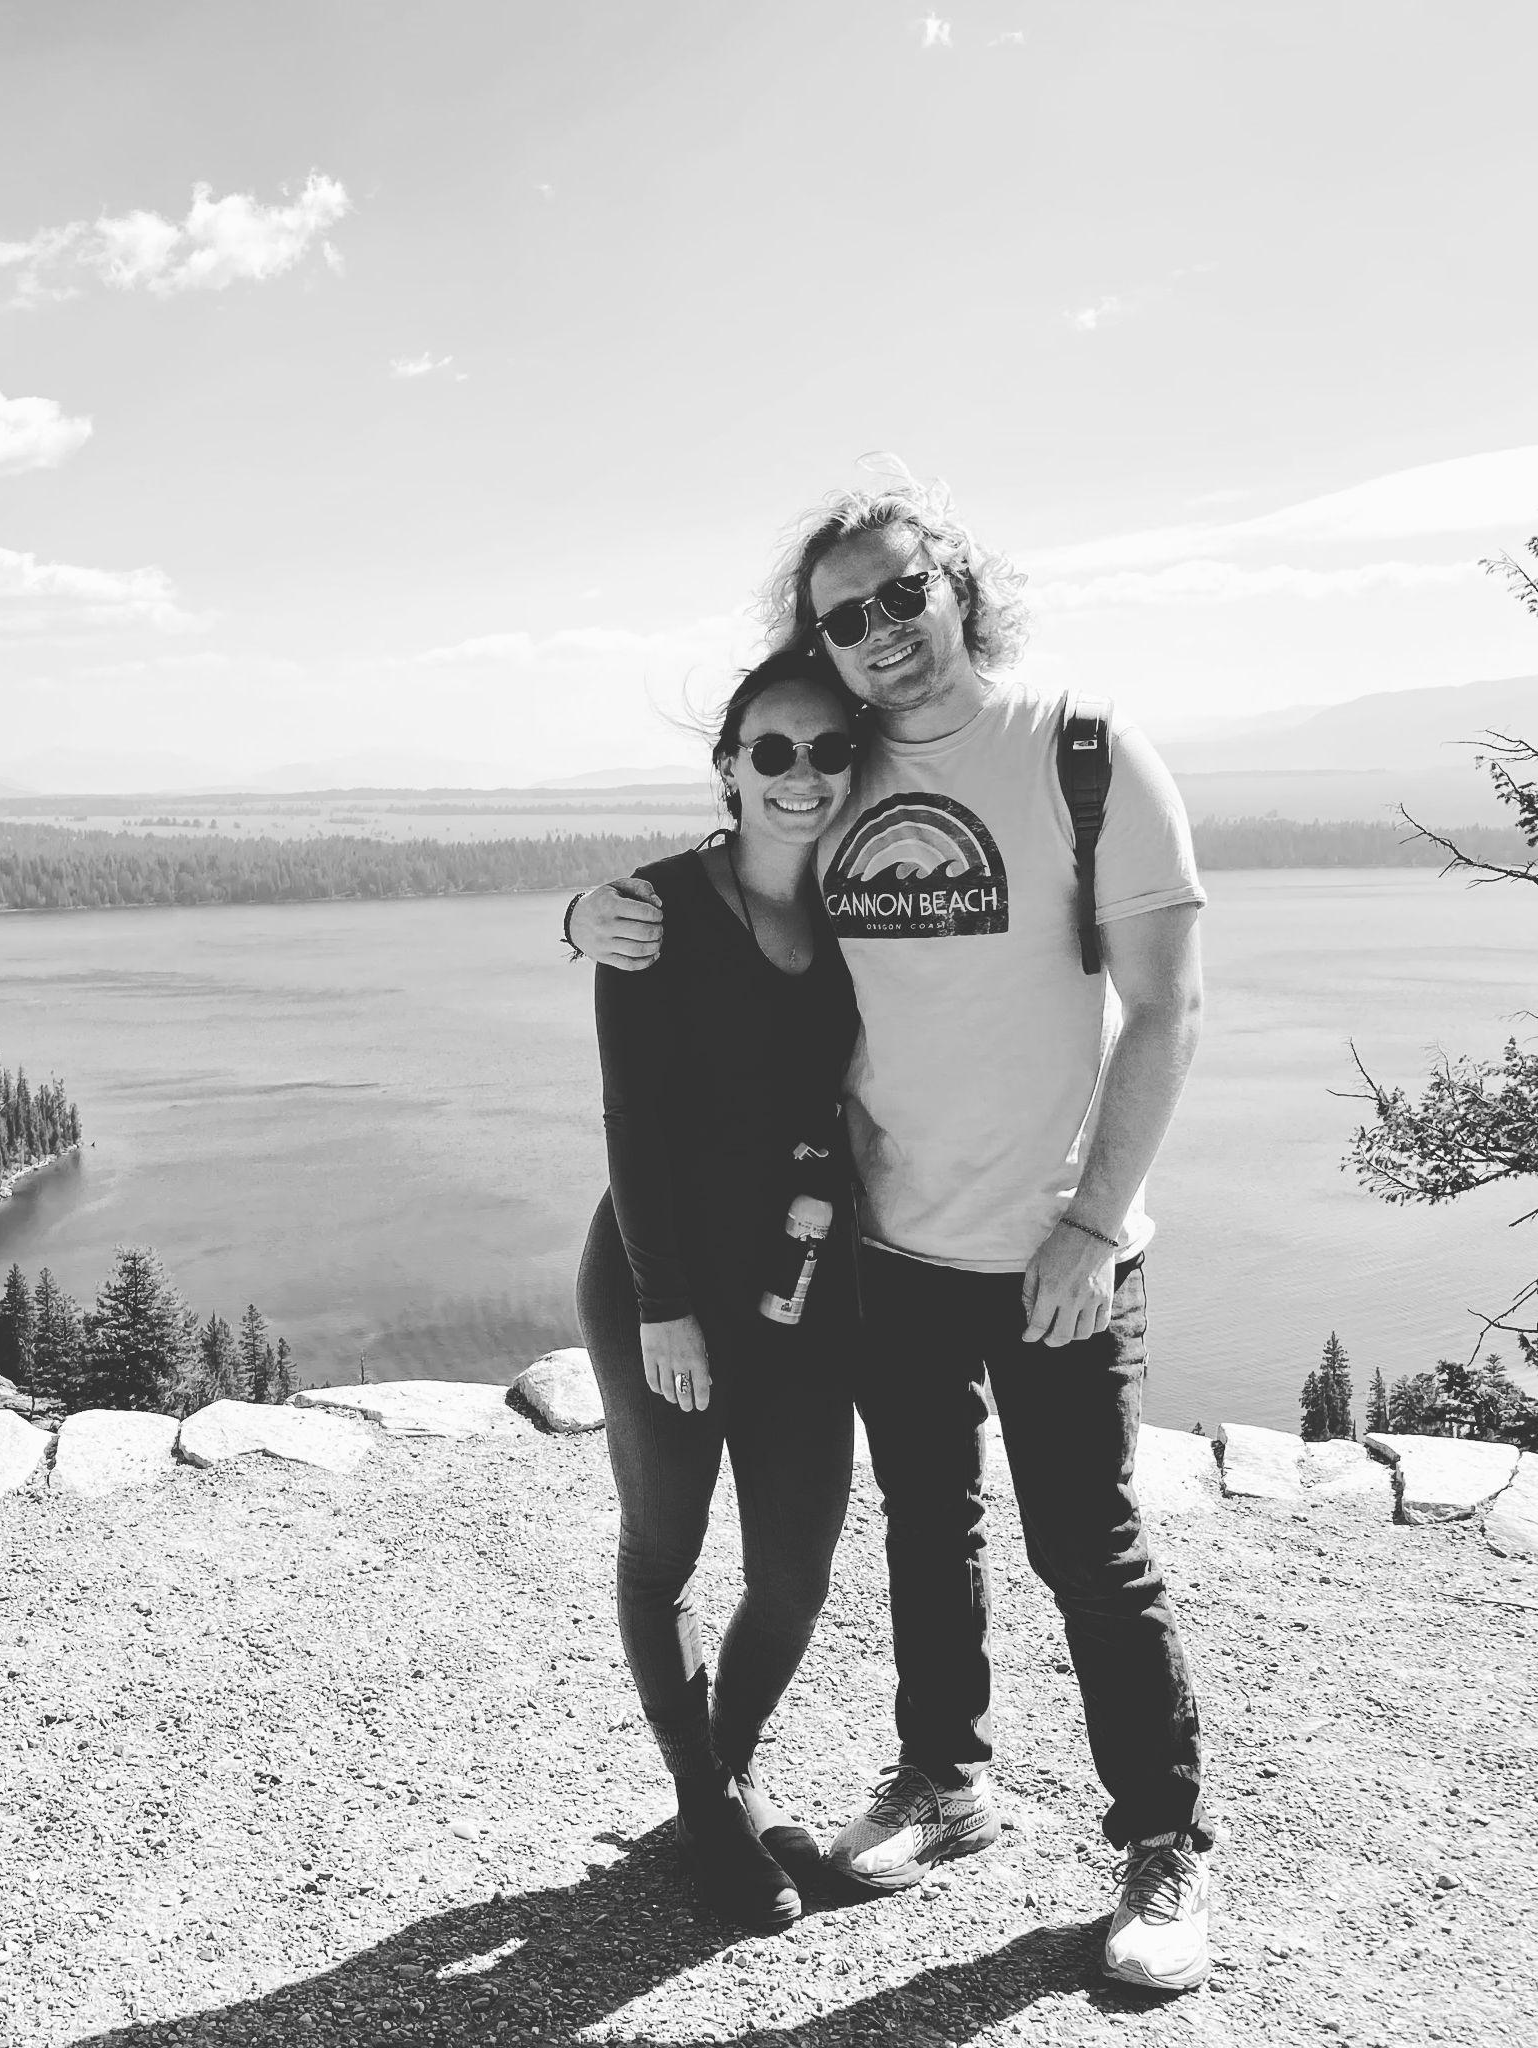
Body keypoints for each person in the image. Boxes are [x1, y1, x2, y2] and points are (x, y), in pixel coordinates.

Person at [567, 457, 1214, 1993]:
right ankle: (942, 1779)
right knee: (927, 1525)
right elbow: (720, 891)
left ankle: (1162, 1846)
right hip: (886, 1249)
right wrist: (585, 917)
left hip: (1054, 1249)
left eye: (900, 594)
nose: (877, 630)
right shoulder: (843, 770)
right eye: (842, 616)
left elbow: (1165, 1006)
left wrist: (1093, 1223)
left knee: (1088, 1552)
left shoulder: (1080, 753)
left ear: (956, 590)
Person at [578, 647, 865, 1932]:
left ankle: (725, 1766)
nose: (801, 775)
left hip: (803, 1283)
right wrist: (661, 1303)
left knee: (795, 1569)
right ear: (729, 767)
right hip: (664, 1280)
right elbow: (629, 1120)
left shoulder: (866, 909)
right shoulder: (652, 911)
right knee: (666, 1549)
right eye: (772, 750)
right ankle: (706, 1801)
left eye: (828, 750)